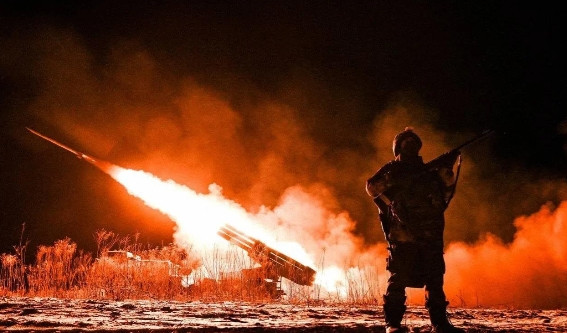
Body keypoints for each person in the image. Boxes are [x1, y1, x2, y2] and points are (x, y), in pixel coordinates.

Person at [366, 128, 465, 333]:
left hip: (430, 234)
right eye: (405, 142)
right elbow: (372, 188)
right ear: (398, 147)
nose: (410, 146)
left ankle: (439, 323)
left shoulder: (430, 172)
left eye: (413, 142)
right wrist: (390, 205)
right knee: (398, 280)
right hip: (403, 235)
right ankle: (392, 324)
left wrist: (447, 168)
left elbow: (446, 191)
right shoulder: (392, 170)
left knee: (434, 280)